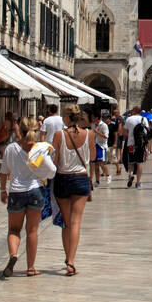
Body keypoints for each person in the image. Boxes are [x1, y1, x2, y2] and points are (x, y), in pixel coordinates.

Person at [1, 119, 54, 277]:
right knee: (32, 230)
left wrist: (2, 190)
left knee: (13, 229)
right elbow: (50, 168)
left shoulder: (11, 148)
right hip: (35, 190)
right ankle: (30, 267)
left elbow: (4, 172)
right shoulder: (39, 149)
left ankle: (13, 255)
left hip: (16, 191)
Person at [52, 111, 93, 276]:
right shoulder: (89, 134)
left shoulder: (58, 134)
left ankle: (67, 257)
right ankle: (71, 261)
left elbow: (54, 161)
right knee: (76, 223)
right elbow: (93, 155)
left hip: (63, 178)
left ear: (67, 118)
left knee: (66, 222)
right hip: (81, 178)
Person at [121, 107, 150, 188]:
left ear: (134, 111)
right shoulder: (143, 119)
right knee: (139, 162)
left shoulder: (129, 119)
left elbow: (124, 132)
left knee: (131, 162)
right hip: (140, 144)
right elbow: (147, 131)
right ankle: (138, 182)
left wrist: (131, 135)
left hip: (130, 144)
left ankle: (130, 175)